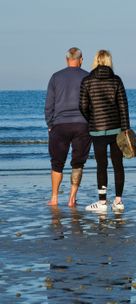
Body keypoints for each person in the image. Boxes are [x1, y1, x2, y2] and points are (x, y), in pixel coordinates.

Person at [79, 50, 130, 213]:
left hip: (97, 130)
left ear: (95, 61)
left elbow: (82, 106)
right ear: (109, 61)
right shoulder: (116, 80)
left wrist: (91, 120)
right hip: (116, 129)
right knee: (118, 165)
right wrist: (126, 129)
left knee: (101, 166)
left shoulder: (87, 81)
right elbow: (123, 106)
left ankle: (102, 203)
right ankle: (118, 201)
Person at [45, 47, 92, 207]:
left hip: (60, 125)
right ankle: (72, 198)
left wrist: (50, 124)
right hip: (82, 125)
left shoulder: (56, 77)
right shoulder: (87, 76)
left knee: (57, 163)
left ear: (67, 60)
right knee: (78, 163)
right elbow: (92, 104)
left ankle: (54, 197)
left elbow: (49, 105)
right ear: (81, 59)